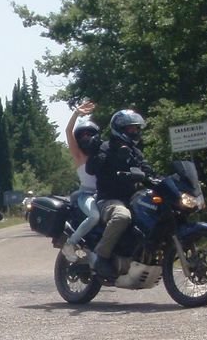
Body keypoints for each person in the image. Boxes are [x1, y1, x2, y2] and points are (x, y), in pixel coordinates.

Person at [85, 108, 154, 284]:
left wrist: (155, 178)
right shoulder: (105, 147)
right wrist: (95, 153)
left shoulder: (135, 152)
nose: (135, 132)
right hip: (108, 200)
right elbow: (91, 169)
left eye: (137, 129)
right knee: (122, 216)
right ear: (120, 129)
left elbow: (148, 170)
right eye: (131, 129)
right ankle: (101, 257)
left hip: (133, 199)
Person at [60, 101, 101, 262]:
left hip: (104, 194)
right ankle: (70, 243)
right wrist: (76, 113)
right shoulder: (78, 156)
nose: (86, 137)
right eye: (82, 135)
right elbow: (68, 131)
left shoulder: (102, 155)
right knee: (94, 216)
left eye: (89, 134)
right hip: (86, 195)